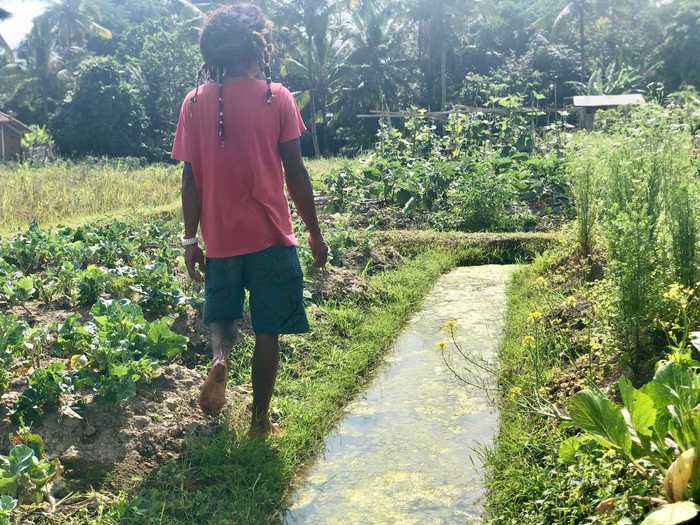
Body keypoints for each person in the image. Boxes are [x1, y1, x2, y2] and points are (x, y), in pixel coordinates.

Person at [172, 4, 328, 438]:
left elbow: (190, 178)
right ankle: (259, 421)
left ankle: (220, 359)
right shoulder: (275, 97)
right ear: (257, 45)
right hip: (271, 237)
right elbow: (295, 173)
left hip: (220, 239)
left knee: (221, 315)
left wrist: (190, 239)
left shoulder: (195, 101)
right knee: (268, 330)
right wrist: (314, 232)